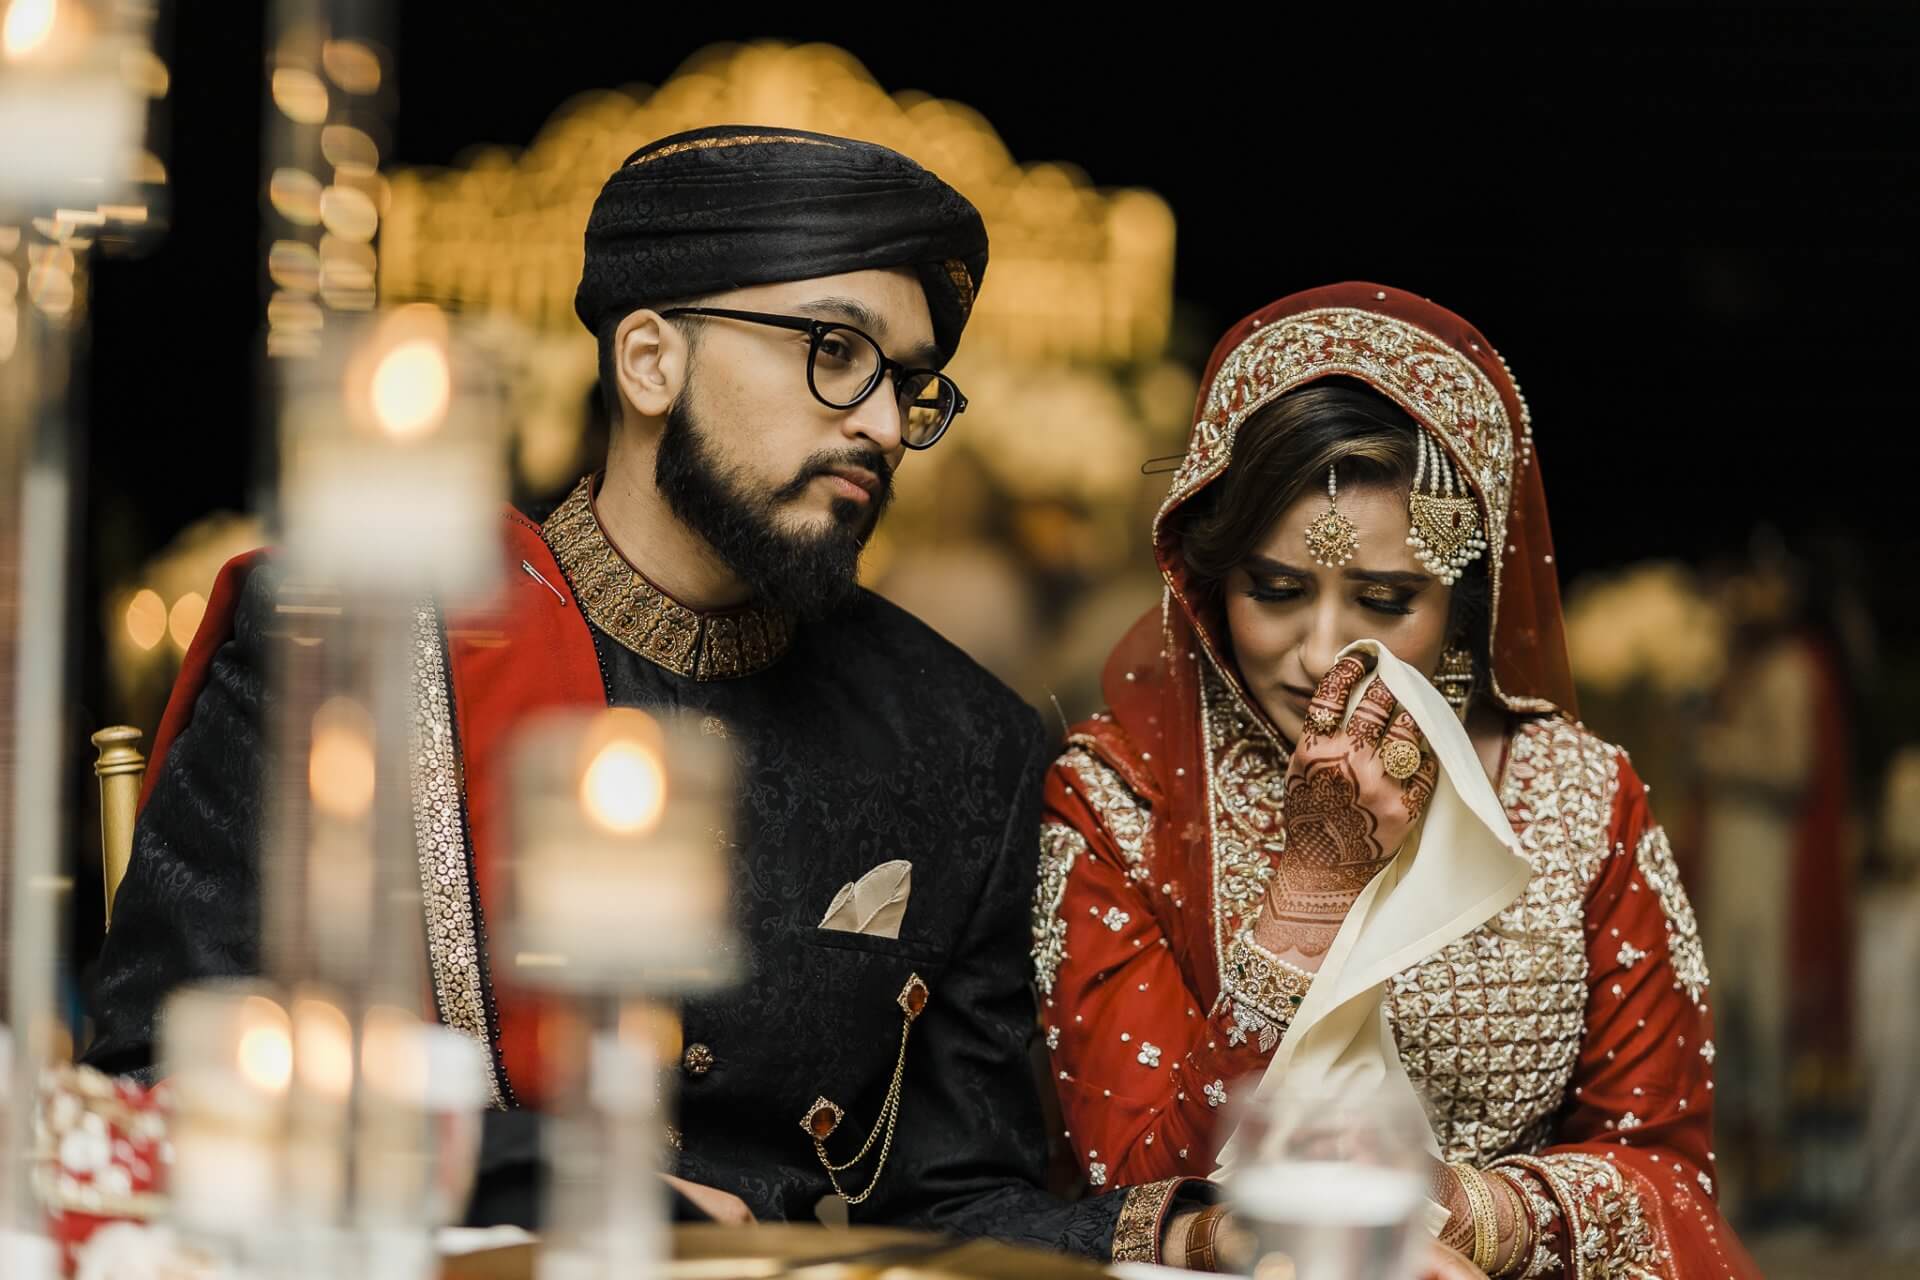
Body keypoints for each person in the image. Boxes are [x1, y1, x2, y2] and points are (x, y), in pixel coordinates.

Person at [84, 125, 1204, 1264]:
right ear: (650, 361)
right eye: (832, 348)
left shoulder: (969, 744)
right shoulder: (356, 647)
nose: (878, 420)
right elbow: (159, 1081)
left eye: (907, 383)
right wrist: (554, 1176)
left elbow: (953, 1203)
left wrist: (1189, 1230)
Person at [1035, 283, 1761, 1276]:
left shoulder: (1582, 798)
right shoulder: (1124, 798)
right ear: (1209, 579)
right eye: (1276, 590)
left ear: (1467, 602)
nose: (1321, 652)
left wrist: (1482, 1211)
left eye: (1384, 598)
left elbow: (1667, 1170)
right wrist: (1306, 897)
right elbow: (1127, 1186)